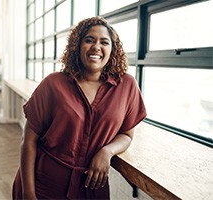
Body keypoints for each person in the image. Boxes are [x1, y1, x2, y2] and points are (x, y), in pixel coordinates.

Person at [12, 16, 147, 199]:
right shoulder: (53, 84)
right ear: (78, 46)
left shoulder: (127, 86)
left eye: (104, 42)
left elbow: (127, 134)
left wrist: (107, 151)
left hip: (91, 190)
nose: (96, 47)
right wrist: (28, 193)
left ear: (112, 50)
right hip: (44, 186)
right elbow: (28, 141)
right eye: (89, 40)